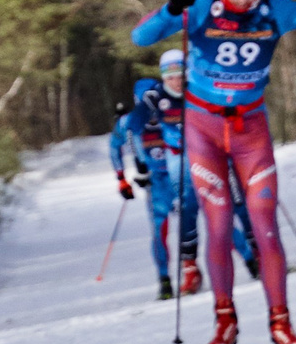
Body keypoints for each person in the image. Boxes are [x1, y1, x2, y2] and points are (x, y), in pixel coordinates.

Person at [131, 0, 296, 344]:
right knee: (217, 226)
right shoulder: (200, 5)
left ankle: (281, 324)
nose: (243, 0)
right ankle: (225, 322)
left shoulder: (276, 7)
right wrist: (171, 8)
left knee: (264, 225)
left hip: (250, 129)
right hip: (203, 129)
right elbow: (141, 36)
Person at [109, 48, 255, 299]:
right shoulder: (134, 119)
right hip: (159, 181)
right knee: (162, 229)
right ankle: (166, 280)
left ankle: (252, 261)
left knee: (217, 215)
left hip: (189, 168)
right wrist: (128, 174)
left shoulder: (180, 103)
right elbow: (119, 144)